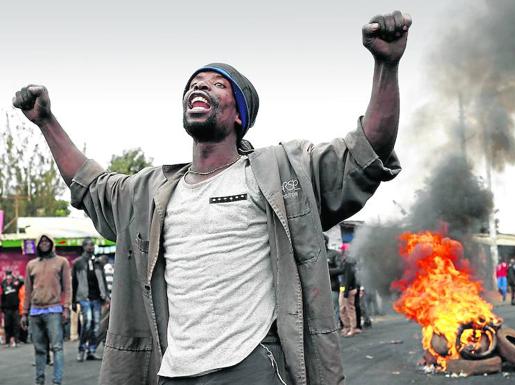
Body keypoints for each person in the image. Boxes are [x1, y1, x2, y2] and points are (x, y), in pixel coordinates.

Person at [13, 11, 410, 385]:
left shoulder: (280, 171)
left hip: (252, 366)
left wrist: (386, 66)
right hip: (174, 369)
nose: (198, 86)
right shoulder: (151, 192)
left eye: (216, 83)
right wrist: (47, 122)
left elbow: (366, 152)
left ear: (239, 115)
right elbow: (91, 185)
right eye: (193, 83)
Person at [21, 234, 72, 385]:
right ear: (37, 245)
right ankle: (40, 380)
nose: (44, 243)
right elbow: (28, 290)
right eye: (41, 241)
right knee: (39, 349)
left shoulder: (62, 262)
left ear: (52, 244)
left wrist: (67, 308)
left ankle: (57, 381)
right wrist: (24, 313)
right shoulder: (31, 264)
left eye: (46, 241)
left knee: (57, 347)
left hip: (54, 310)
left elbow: (68, 287)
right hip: (35, 312)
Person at [72, 238, 109, 362]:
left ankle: (91, 350)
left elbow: (103, 280)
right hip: (84, 297)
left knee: (96, 325)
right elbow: (74, 282)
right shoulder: (78, 263)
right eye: (88, 245)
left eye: (92, 245)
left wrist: (106, 296)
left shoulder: (98, 263)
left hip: (97, 298)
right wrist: (73, 300)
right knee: (87, 322)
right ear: (83, 247)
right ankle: (81, 349)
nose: (91, 247)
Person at [1, 269, 24, 347]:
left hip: (15, 308)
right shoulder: (3, 283)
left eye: (10, 275)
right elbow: (3, 296)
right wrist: (2, 309)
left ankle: (17, 341)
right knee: (7, 325)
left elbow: (22, 281)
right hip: (7, 309)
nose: (8, 276)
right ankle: (7, 342)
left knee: (16, 324)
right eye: (7, 275)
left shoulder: (16, 283)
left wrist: (15, 278)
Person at [326, 235, 343, 327]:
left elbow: (341, 269)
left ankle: (336, 326)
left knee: (335, 308)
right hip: (318, 289)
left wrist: (325, 271)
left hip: (333, 287)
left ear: (324, 241)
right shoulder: (315, 255)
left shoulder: (334, 254)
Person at [339, 254, 358, 337]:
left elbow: (348, 278)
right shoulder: (346, 262)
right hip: (344, 289)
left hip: (348, 289)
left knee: (349, 309)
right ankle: (347, 327)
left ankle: (352, 329)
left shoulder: (349, 263)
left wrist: (346, 292)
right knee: (342, 309)